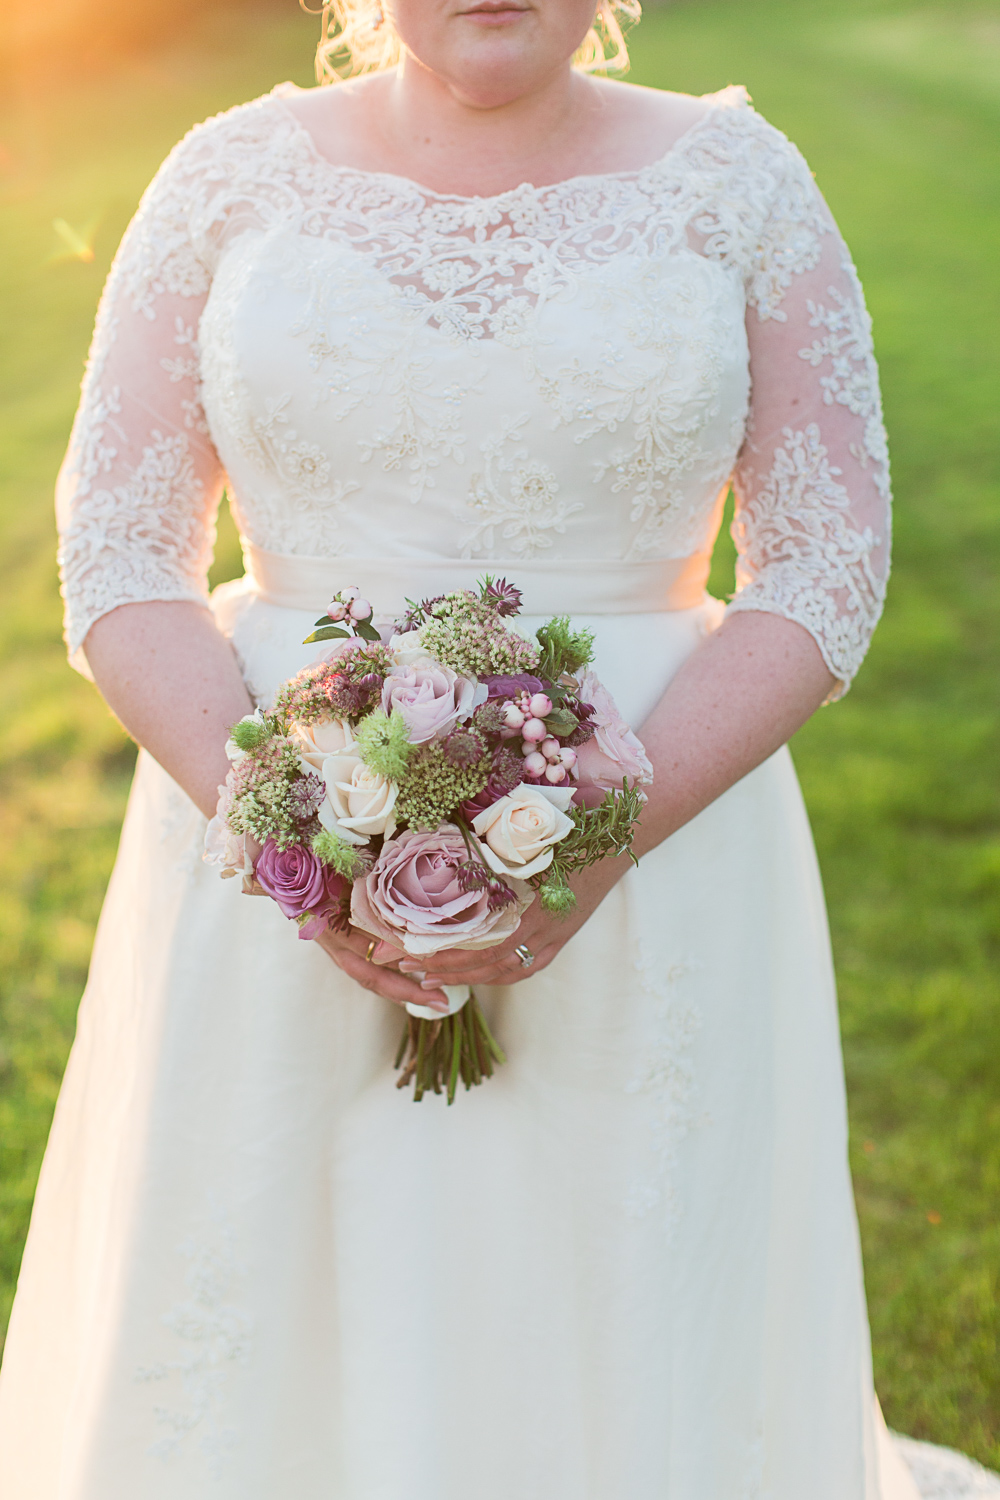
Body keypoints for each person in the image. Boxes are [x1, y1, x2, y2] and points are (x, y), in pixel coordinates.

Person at [0, 0, 988, 1495]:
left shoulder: (741, 182)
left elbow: (827, 561)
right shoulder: (227, 177)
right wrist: (293, 831)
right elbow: (121, 548)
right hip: (271, 840)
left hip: (661, 832)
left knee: (616, 1275)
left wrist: (610, 826)